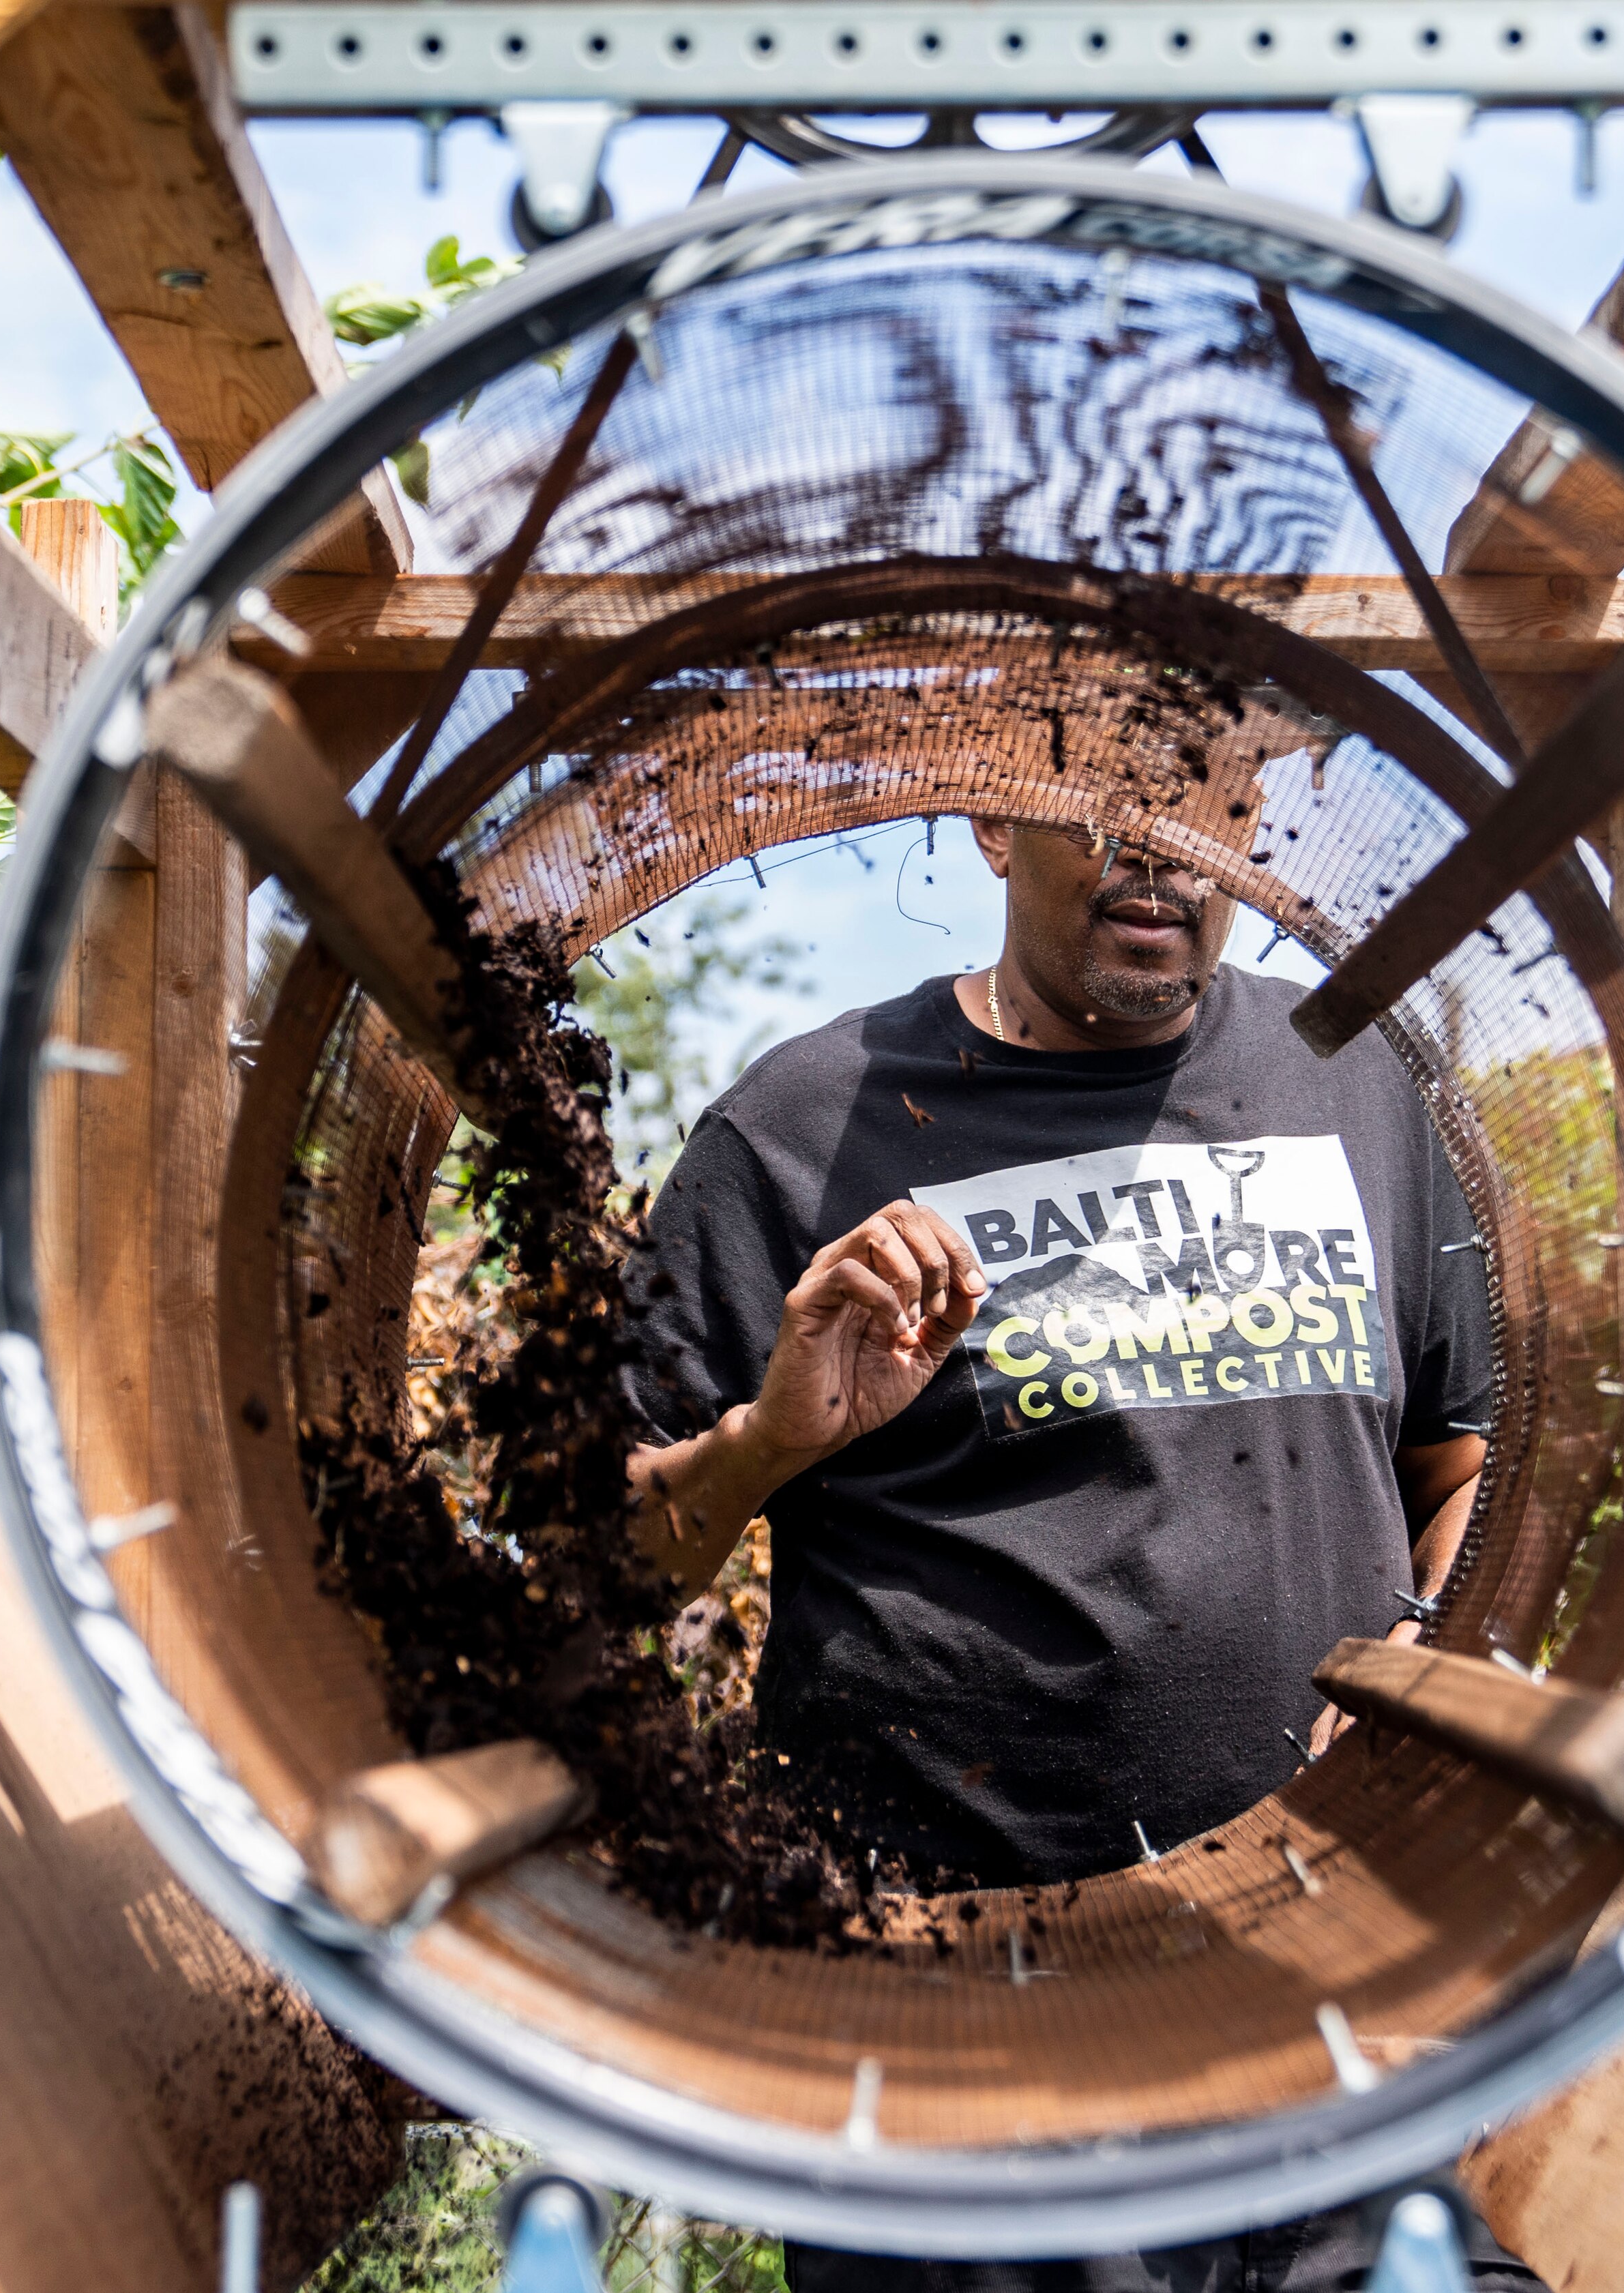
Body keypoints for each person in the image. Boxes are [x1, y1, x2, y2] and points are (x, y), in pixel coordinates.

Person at [622, 814, 1538, 2291]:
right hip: (960, 2047)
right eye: (1115, 805)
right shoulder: (804, 1125)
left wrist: (1419, 1653)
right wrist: (767, 1443)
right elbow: (594, 1561)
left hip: (1327, 2009)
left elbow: (1459, 1458)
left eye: (1212, 811)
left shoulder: (1352, 1082)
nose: (1165, 857)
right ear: (991, 817)